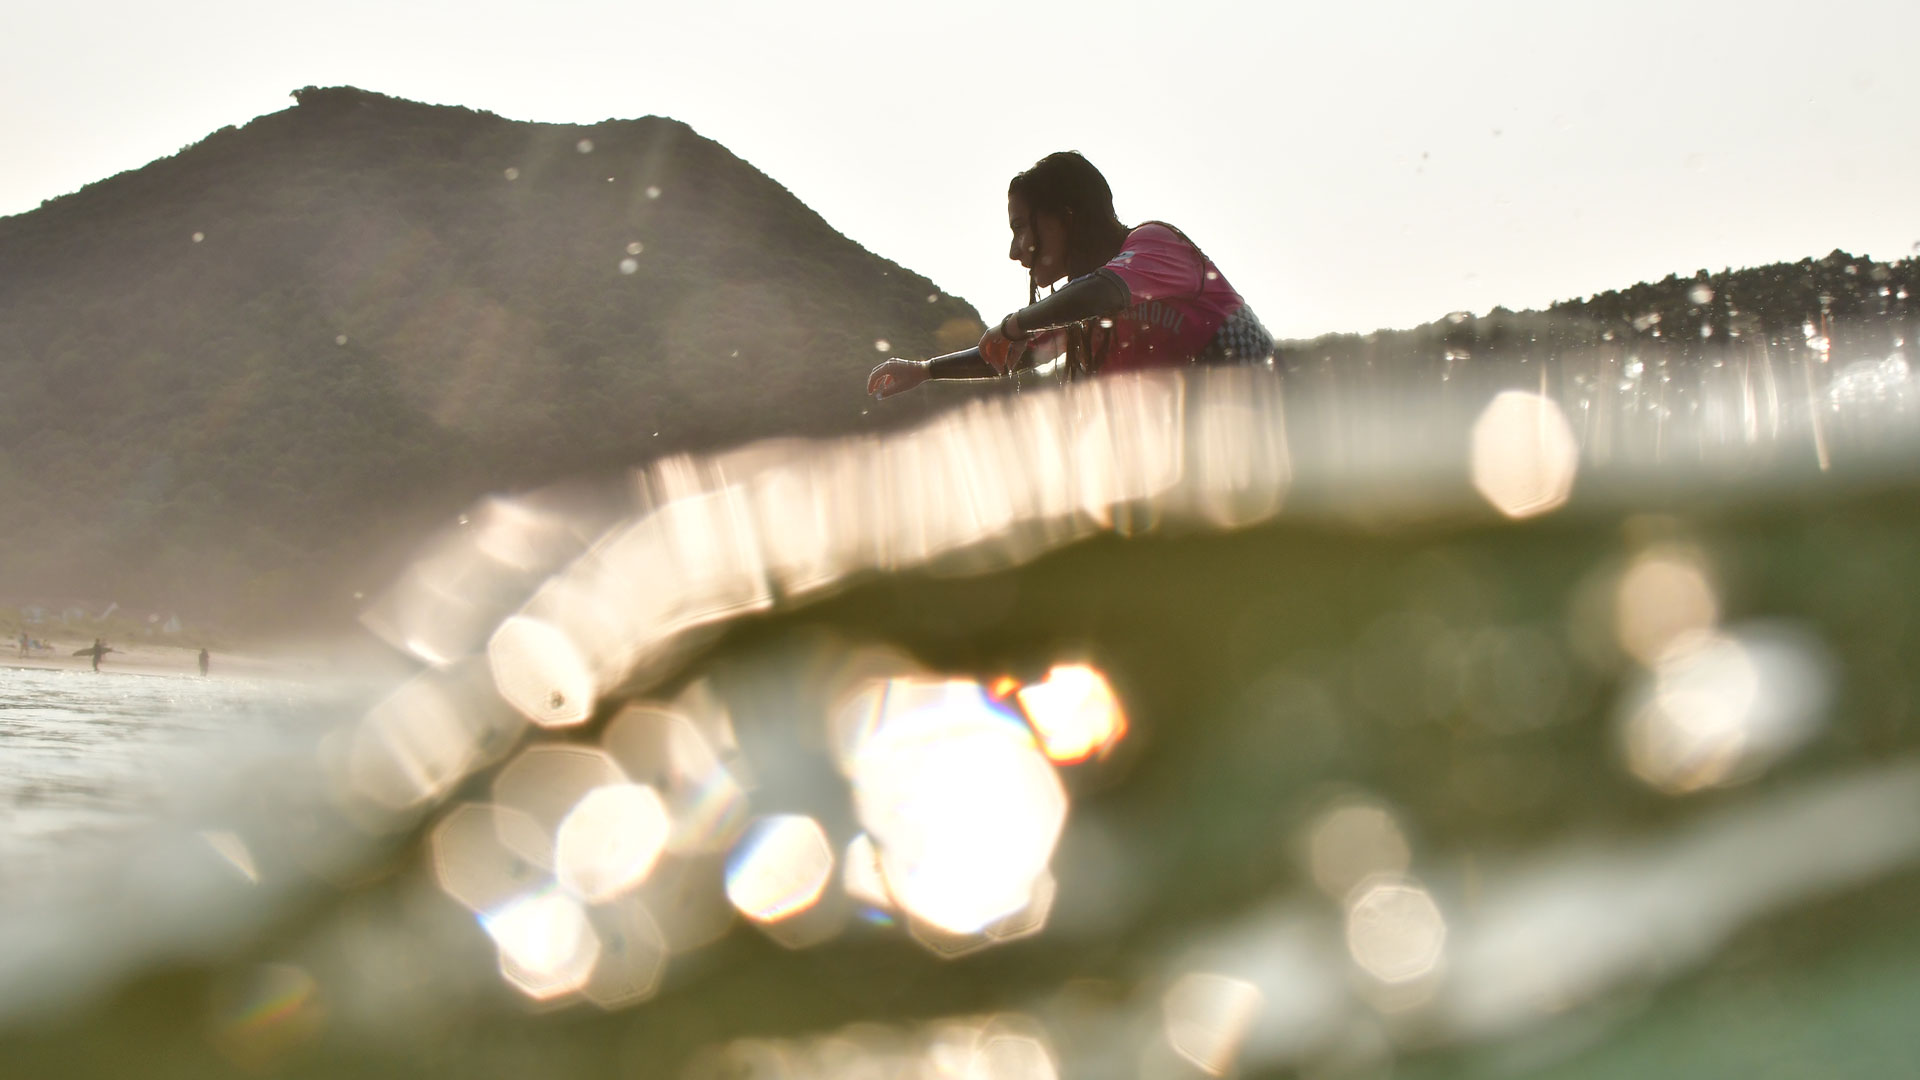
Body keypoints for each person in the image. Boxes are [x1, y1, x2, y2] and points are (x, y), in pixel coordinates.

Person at [869, 151, 1274, 398]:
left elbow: (1103, 291)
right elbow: (1009, 356)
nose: (1014, 251)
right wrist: (923, 371)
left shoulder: (1153, 245)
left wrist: (1014, 324)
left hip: (1271, 420)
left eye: (1021, 228)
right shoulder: (1077, 312)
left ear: (1065, 220)